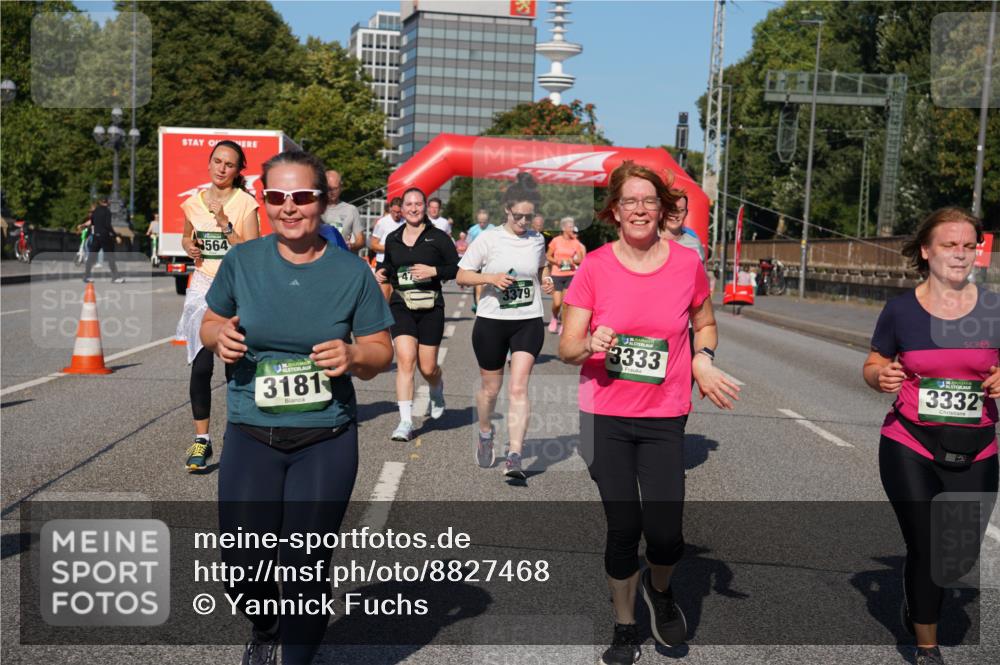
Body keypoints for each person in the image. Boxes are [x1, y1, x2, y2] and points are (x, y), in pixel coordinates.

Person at [201, 149, 394, 665]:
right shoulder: (243, 262)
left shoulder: (351, 272)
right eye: (277, 196)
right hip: (251, 433)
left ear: (323, 202)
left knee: (305, 563)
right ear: (264, 200)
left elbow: (381, 352)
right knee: (242, 567)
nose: (290, 207)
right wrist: (218, 337)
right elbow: (210, 322)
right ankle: (267, 626)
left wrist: (354, 356)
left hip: (325, 438)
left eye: (303, 196)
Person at [558, 161, 740, 664]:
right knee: (623, 527)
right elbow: (568, 347)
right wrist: (590, 343)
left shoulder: (686, 264)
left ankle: (658, 589)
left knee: (664, 534)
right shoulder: (595, 266)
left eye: (648, 201)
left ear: (662, 209)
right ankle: (624, 626)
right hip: (604, 416)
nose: (639, 209)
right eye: (629, 201)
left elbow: (704, 323)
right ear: (615, 211)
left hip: (664, 416)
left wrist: (703, 359)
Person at [862, 207, 1000, 665]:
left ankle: (915, 599)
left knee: (956, 556)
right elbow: (874, 362)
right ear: (926, 251)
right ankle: (927, 647)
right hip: (910, 443)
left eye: (969, 245)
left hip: (978, 447)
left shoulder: (994, 309)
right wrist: (879, 376)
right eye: (949, 244)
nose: (960, 254)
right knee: (926, 545)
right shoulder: (900, 310)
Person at [457, 173, 554, 479]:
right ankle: (486, 433)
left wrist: (546, 279)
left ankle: (515, 455)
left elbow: (541, 266)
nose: (524, 222)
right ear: (506, 210)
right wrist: (491, 278)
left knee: (518, 387)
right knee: (490, 389)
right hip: (492, 321)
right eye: (518, 216)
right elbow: (462, 275)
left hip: (527, 320)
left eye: (529, 216)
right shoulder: (488, 239)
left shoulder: (537, 239)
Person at [176, 140, 261, 472]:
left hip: (235, 289)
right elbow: (187, 236)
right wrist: (190, 247)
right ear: (209, 163)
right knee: (200, 366)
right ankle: (202, 440)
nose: (222, 168)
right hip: (202, 286)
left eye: (229, 164)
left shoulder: (246, 204)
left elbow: (252, 252)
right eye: (217, 161)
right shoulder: (193, 203)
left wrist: (225, 223)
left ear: (238, 170)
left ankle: (236, 436)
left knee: (233, 366)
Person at [376, 187, 459, 442]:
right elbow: (388, 265)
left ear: (425, 207)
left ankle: (436, 385)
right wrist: (382, 272)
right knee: (405, 359)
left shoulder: (438, 237)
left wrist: (434, 271)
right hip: (401, 304)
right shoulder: (393, 238)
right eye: (409, 204)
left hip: (431, 307)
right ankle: (405, 421)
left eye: (418, 204)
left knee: (428, 366)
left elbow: (456, 268)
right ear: (402, 208)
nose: (413, 208)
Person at [546, 216, 587, 334]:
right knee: (557, 302)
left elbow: (581, 259)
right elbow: (548, 256)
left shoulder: (576, 242)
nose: (572, 229)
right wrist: (557, 261)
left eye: (572, 227)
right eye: (570, 227)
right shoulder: (556, 241)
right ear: (563, 228)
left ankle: (563, 325)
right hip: (557, 274)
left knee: (566, 303)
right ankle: (554, 317)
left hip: (571, 275)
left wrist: (572, 260)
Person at [320, 170, 364, 252]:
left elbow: (361, 240)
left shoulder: (351, 210)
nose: (331, 192)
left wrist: (351, 246)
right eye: (329, 188)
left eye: (335, 188)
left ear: (341, 187)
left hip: (341, 256)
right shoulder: (314, 208)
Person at [369, 197, 404, 301]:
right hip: (383, 262)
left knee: (397, 296)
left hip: (399, 264)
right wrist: (391, 249)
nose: (396, 214)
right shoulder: (382, 222)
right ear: (390, 209)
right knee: (384, 296)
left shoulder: (405, 222)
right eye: (394, 211)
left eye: (399, 212)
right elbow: (373, 245)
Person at [82, 197, 124, 283]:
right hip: (104, 236)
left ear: (100, 202)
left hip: (96, 235)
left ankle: (86, 276)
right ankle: (115, 277)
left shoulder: (95, 211)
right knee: (110, 257)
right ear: (107, 202)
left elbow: (92, 222)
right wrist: (116, 235)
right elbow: (108, 225)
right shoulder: (107, 211)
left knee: (91, 256)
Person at [659, 194, 705, 263]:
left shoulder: (694, 244)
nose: (675, 214)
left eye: (681, 210)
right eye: (671, 209)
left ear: (686, 213)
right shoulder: (649, 241)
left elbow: (700, 269)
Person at [467, 209, 496, 312]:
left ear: (488, 220)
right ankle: (478, 305)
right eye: (480, 222)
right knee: (478, 284)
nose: (482, 224)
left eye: (484, 222)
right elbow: (468, 245)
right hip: (477, 261)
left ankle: (488, 303)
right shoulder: (472, 230)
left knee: (487, 283)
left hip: (489, 260)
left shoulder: (494, 229)